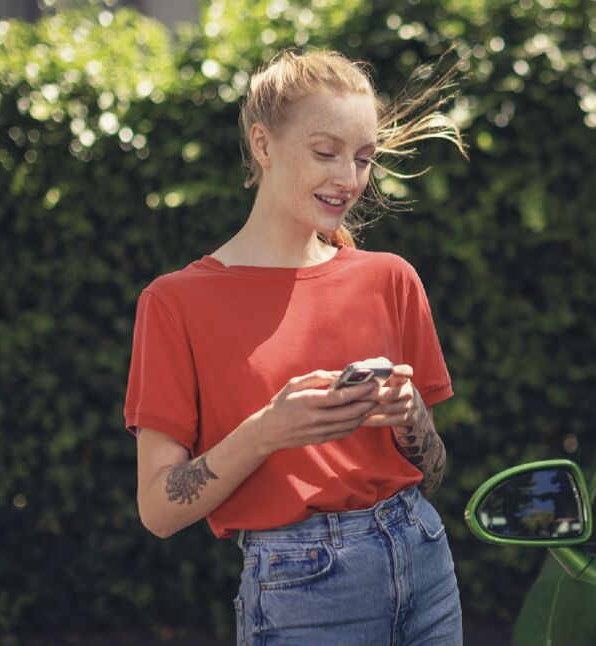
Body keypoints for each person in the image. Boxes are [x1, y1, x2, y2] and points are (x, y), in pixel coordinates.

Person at [123, 49, 467, 645]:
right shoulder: (175, 302)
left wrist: (413, 421)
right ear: (263, 145)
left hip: (424, 555)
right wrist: (266, 431)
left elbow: (431, 470)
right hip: (302, 587)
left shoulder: (390, 278)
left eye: (363, 159)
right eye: (326, 153)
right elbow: (159, 509)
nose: (349, 180)